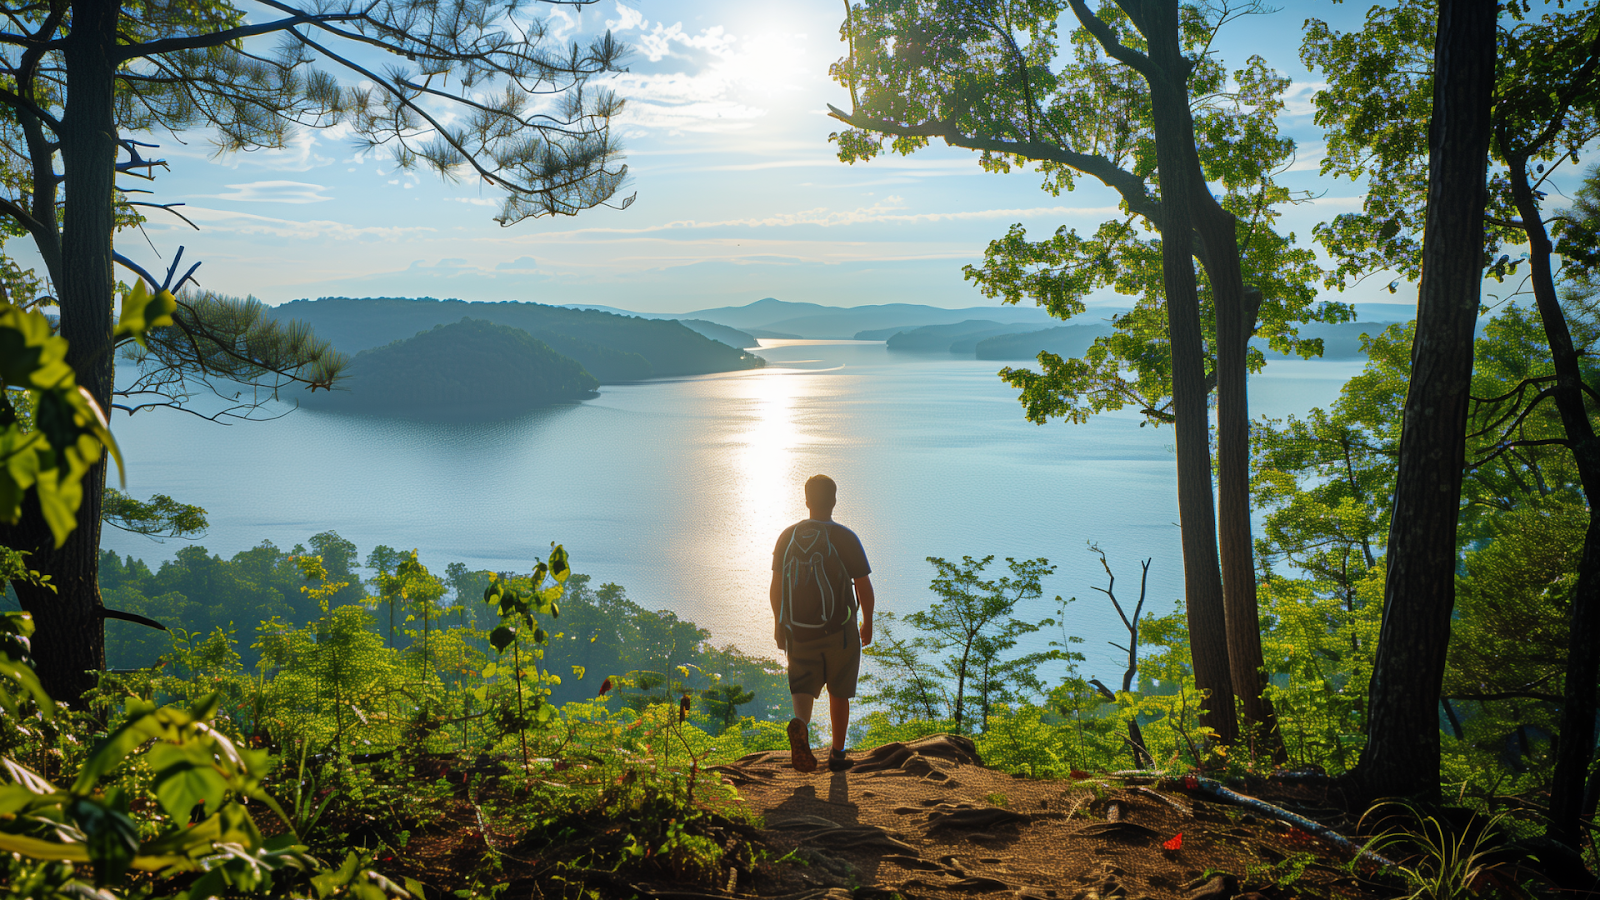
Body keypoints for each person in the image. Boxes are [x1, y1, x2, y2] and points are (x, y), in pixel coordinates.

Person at [770, 474, 874, 773]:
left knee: (802, 685)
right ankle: (837, 754)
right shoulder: (845, 537)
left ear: (806, 501)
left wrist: (781, 624)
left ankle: (800, 726)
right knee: (839, 693)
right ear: (834, 500)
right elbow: (863, 586)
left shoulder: (787, 536)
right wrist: (867, 621)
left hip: (797, 631)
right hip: (840, 632)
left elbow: (776, 587)